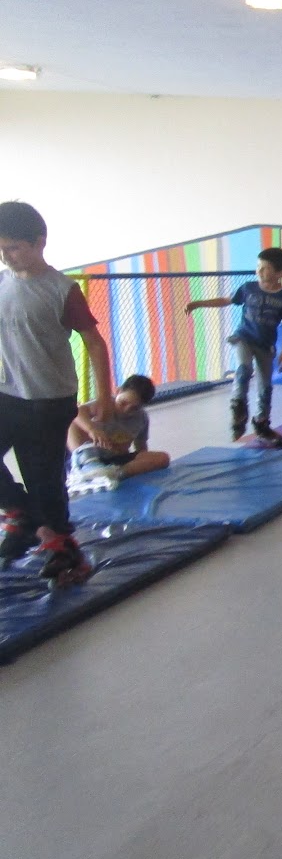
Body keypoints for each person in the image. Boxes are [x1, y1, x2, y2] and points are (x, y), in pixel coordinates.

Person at [0, 200, 113, 587]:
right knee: (32, 488)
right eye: (0, 248)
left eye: (14, 248)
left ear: (39, 242)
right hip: (7, 393)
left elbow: (94, 342)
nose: (6, 255)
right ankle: (21, 515)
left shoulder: (61, 290)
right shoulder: (2, 282)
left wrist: (105, 397)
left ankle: (65, 549)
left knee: (43, 479)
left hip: (47, 400)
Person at [186, 248, 282, 446]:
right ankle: (238, 407)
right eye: (258, 266)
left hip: (265, 345)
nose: (259, 271)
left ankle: (262, 424)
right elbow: (226, 300)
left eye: (265, 268)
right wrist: (199, 303)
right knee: (244, 368)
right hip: (243, 338)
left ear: (279, 273)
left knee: (265, 387)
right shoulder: (248, 288)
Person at [65, 373, 171, 495]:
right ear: (118, 391)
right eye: (123, 403)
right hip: (91, 455)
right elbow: (77, 412)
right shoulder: (105, 405)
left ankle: (114, 474)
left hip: (114, 462)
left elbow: (141, 447)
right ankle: (86, 466)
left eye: (134, 408)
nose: (126, 410)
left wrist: (141, 463)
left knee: (163, 458)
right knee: (72, 421)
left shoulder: (141, 418)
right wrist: (92, 429)